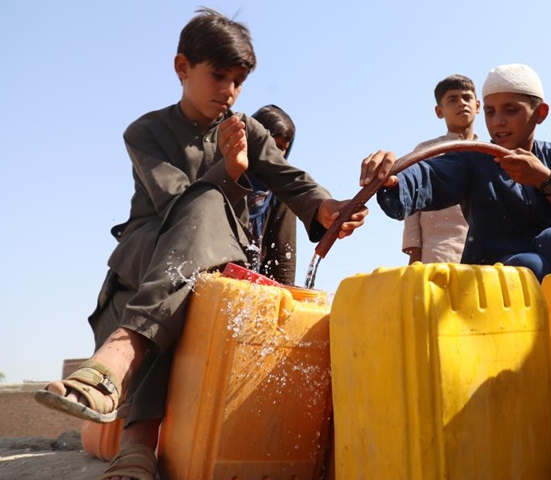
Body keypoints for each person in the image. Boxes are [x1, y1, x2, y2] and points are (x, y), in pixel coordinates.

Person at [34, 8, 366, 480]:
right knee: (195, 232)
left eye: (238, 81)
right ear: (182, 68)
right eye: (218, 76)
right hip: (148, 255)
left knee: (192, 272)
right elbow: (175, 207)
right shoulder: (145, 132)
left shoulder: (247, 129)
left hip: (211, 264)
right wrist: (228, 170)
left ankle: (123, 370)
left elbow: (292, 181)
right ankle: (136, 442)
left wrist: (325, 208)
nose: (228, 91)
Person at [361, 63, 551, 281]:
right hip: (489, 283)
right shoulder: (473, 158)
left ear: (540, 113)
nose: (498, 122)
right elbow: (432, 175)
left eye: (510, 110)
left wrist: (545, 181)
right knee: (528, 264)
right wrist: (394, 180)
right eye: (490, 112)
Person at [402, 74, 478, 264]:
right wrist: (414, 252)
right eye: (452, 100)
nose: (461, 103)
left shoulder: (489, 153)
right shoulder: (426, 152)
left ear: (478, 106)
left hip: (482, 251)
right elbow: (412, 206)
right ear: (439, 111)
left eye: (466, 98)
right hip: (437, 250)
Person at [247, 104, 297, 284]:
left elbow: (283, 258)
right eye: (270, 145)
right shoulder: (223, 176)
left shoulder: (281, 192)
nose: (274, 155)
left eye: (281, 148)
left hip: (247, 289)